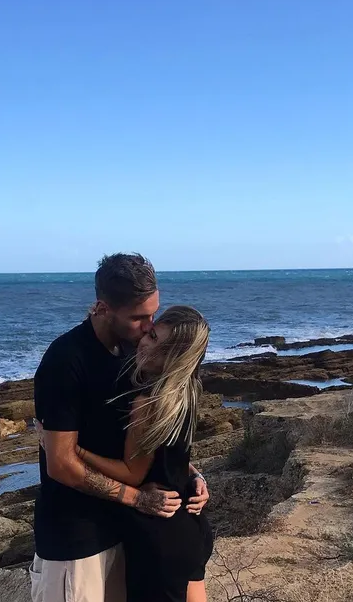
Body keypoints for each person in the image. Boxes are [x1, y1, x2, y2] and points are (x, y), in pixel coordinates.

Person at [31, 253, 209, 602]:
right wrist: (138, 498)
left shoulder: (133, 355)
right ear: (102, 308)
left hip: (128, 533)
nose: (147, 327)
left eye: (153, 315)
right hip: (77, 540)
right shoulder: (66, 359)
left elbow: (148, 441)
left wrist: (191, 474)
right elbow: (61, 464)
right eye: (138, 318)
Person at [75, 305, 214, 602]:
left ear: (172, 357)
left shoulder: (147, 403)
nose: (143, 341)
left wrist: (76, 450)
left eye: (153, 338)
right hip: (191, 525)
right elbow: (173, 456)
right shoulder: (187, 391)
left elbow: (132, 474)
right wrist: (197, 475)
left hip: (159, 532)